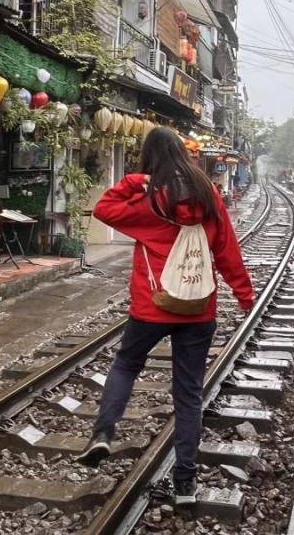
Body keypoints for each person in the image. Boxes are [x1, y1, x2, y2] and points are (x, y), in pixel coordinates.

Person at [77, 126, 255, 505]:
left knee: (126, 364)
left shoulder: (148, 201)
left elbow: (105, 208)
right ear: (184, 156)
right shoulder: (209, 196)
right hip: (198, 308)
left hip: (151, 306)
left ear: (150, 158)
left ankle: (103, 434)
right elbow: (226, 249)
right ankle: (185, 484)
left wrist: (134, 182)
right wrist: (244, 294)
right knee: (188, 395)